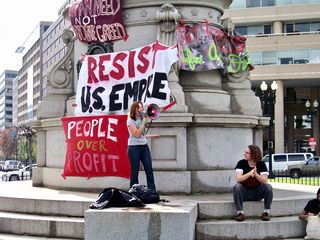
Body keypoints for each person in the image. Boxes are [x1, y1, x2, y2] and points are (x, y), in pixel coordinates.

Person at [233, 144, 273, 221]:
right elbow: (238, 179)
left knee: (268, 187)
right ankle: (240, 213)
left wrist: (256, 174)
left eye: (247, 152)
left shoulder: (261, 164)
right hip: (244, 193)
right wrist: (249, 173)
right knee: (237, 186)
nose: (244, 154)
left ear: (253, 154)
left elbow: (265, 180)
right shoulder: (241, 163)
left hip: (257, 194)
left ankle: (266, 212)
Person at [127, 101, 159, 193]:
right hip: (134, 148)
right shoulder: (130, 121)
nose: (141, 109)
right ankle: (134, 192)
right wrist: (143, 123)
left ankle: (152, 191)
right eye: (139, 108)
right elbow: (136, 134)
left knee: (149, 169)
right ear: (134, 109)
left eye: (142, 107)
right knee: (135, 172)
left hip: (144, 147)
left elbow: (142, 135)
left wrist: (153, 136)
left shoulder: (141, 119)